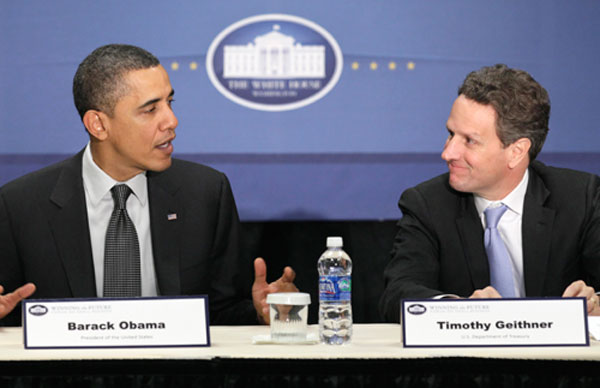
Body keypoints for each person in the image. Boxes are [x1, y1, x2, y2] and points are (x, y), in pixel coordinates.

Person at [0, 44, 296, 326]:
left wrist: (259, 313)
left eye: (170, 102)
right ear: (98, 125)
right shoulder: (21, 206)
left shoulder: (205, 193)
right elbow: (13, 315)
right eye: (150, 109)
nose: (172, 120)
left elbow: (220, 314)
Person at [380, 64, 600, 322]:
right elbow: (397, 296)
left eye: (469, 141)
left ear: (516, 151)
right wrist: (460, 310)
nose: (448, 153)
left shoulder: (580, 198)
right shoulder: (427, 204)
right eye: (451, 134)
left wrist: (595, 304)